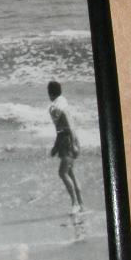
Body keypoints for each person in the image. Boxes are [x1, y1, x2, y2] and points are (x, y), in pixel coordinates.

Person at [47, 80, 84, 213]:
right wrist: (56, 146)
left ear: (50, 93)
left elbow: (67, 127)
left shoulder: (57, 107)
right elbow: (64, 128)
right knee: (70, 172)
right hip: (68, 139)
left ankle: (75, 204)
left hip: (67, 141)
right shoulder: (63, 102)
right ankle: (81, 204)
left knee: (62, 173)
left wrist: (73, 144)